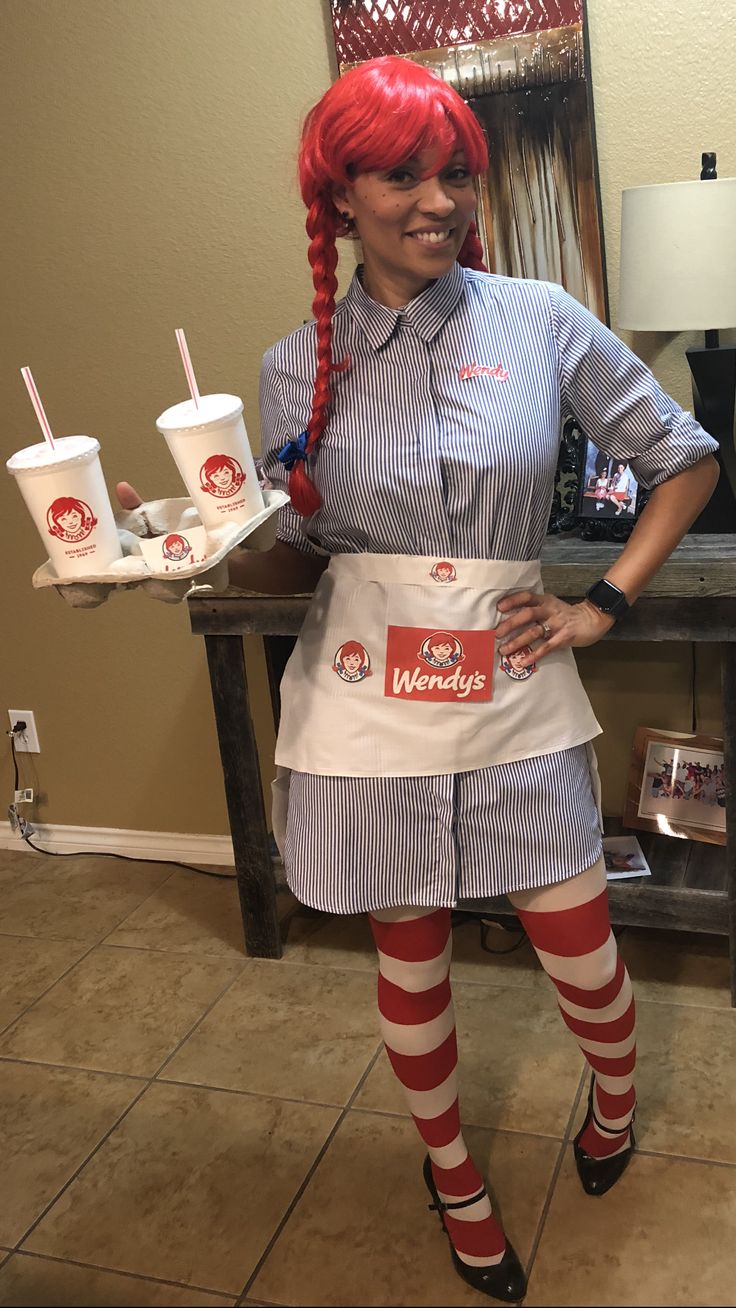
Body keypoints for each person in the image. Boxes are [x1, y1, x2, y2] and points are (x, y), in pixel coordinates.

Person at [117, 56, 718, 1303]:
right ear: (341, 193)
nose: (436, 199)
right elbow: (294, 559)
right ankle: (451, 1174)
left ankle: (611, 1100)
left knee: (580, 943)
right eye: (402, 174)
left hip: (506, 680)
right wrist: (183, 547)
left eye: (454, 172)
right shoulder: (298, 364)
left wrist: (601, 601)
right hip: (367, 697)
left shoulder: (540, 319)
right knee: (409, 950)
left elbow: (682, 456)